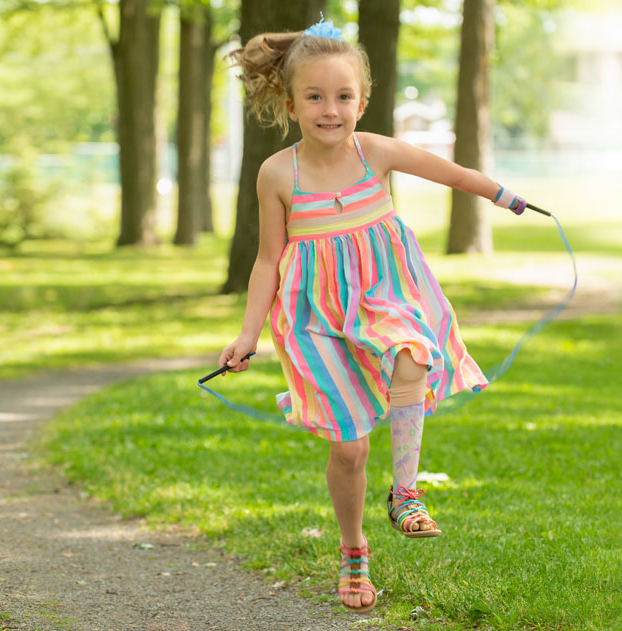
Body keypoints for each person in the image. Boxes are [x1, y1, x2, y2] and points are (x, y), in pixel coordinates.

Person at [219, 17, 527, 614]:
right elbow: (265, 261)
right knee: (350, 449)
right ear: (290, 103)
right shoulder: (277, 174)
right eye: (314, 97)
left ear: (362, 101)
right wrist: (247, 334)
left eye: (343, 97)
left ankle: (406, 492)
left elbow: (451, 172)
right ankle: (354, 549)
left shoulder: (376, 152)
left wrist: (502, 196)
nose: (329, 110)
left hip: (381, 296)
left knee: (414, 353)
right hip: (313, 317)